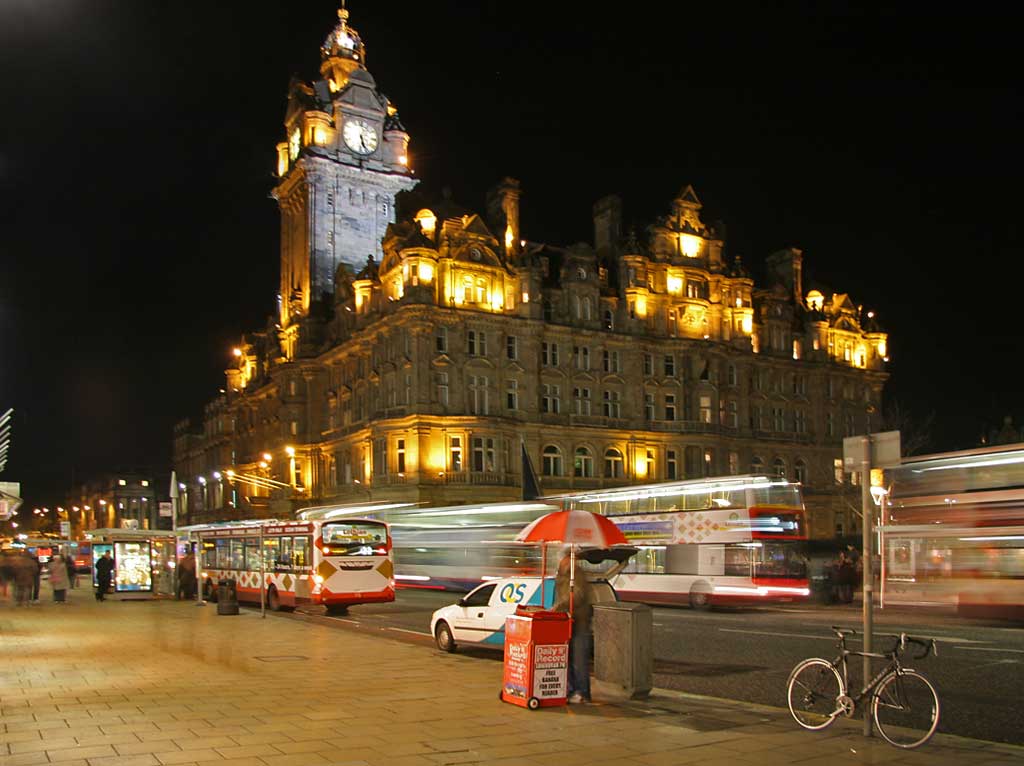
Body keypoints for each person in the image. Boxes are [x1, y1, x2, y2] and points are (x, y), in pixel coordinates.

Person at [553, 550, 595, 704]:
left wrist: (558, 606)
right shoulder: (562, 574)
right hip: (567, 621)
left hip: (580, 622)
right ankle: (571, 690)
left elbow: (577, 595)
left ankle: (583, 693)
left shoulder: (577, 574)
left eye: (572, 558)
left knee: (579, 660)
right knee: (568, 658)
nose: (570, 561)